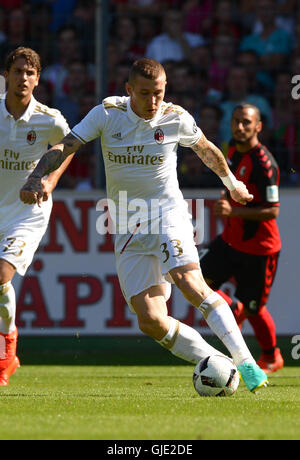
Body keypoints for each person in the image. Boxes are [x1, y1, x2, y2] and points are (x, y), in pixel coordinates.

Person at [20, 58, 268, 393]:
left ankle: (246, 362)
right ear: (128, 90)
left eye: (159, 93)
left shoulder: (175, 117)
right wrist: (37, 176)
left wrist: (233, 183)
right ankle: (220, 365)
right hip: (126, 227)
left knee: (190, 283)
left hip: (167, 214)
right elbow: (67, 146)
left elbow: (206, 149)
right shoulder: (107, 114)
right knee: (151, 320)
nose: (153, 101)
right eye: (145, 93)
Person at [0, 47, 72, 386]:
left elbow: (69, 145)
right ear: (7, 75)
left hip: (26, 214)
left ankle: (5, 349)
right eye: (17, 72)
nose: (23, 79)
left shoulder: (49, 119)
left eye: (30, 73)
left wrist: (50, 179)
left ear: (38, 80)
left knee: (1, 275)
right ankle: (9, 348)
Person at [200, 103, 284, 374]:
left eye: (246, 122)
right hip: (230, 241)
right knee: (196, 281)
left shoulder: (265, 164)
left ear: (258, 126)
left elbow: (273, 210)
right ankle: (233, 306)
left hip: (260, 249)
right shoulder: (232, 150)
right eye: (236, 121)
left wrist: (232, 210)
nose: (240, 127)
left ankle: (271, 357)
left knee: (254, 308)